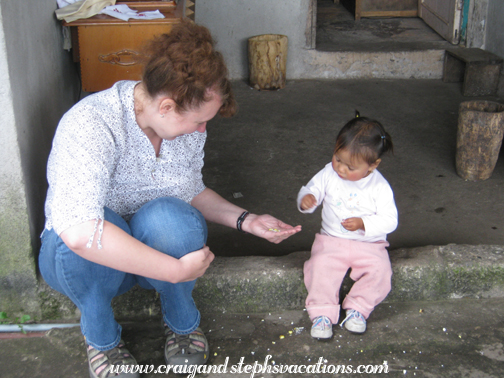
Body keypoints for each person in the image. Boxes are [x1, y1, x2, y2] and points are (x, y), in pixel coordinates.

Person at [39, 20, 301, 378]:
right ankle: (101, 341)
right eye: (198, 122)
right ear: (165, 107)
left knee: (174, 218)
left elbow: (189, 190)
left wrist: (246, 220)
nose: (202, 130)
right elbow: (79, 233)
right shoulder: (90, 124)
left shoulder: (184, 131)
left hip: (145, 251)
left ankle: (181, 324)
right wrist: (175, 271)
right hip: (89, 264)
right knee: (87, 238)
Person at [297, 112, 397, 339]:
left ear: (373, 165)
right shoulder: (328, 173)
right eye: (337, 159)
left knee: (381, 272)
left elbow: (391, 220)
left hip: (370, 245)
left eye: (350, 167)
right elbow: (312, 188)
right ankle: (322, 313)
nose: (341, 169)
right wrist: (307, 199)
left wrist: (364, 223)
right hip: (332, 241)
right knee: (319, 267)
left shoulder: (380, 187)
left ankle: (358, 309)